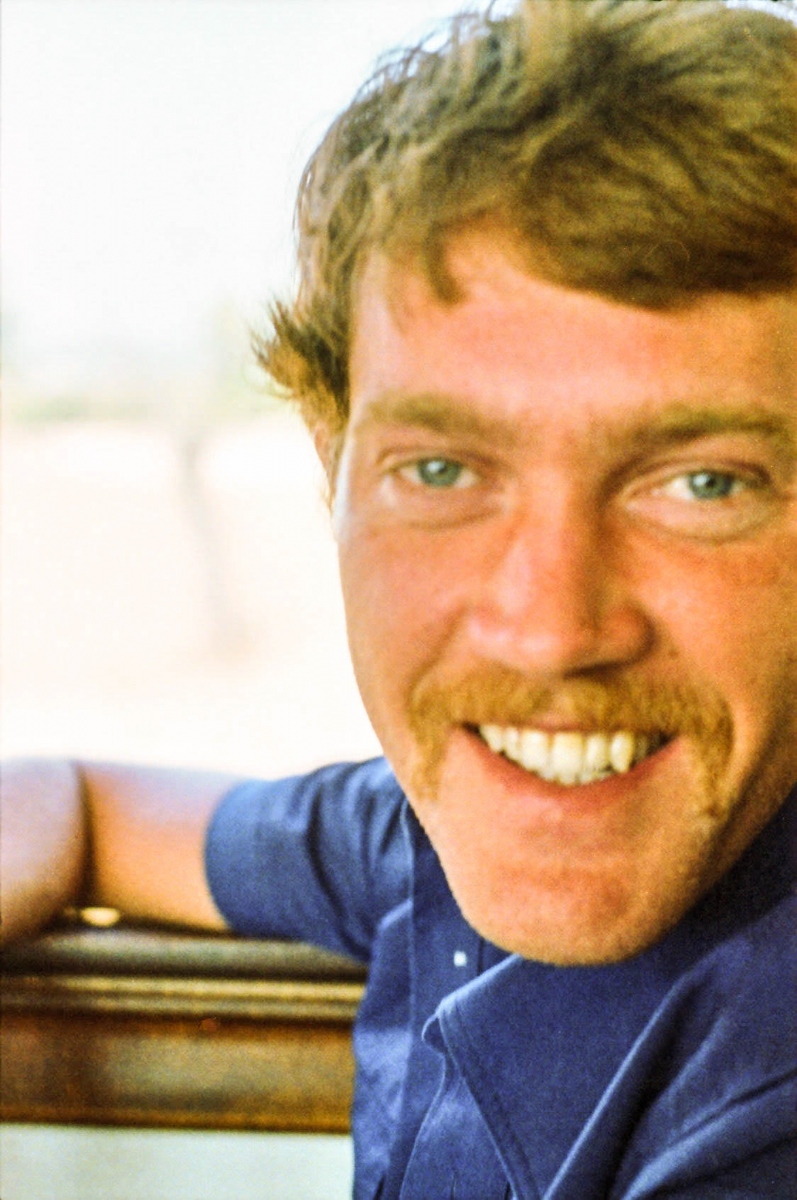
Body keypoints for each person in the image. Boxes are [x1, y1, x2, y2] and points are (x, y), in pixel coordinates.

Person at [2, 0, 796, 1195]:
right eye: (438, 471)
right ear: (331, 470)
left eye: (702, 483)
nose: (549, 630)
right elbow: (85, 803)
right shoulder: (443, 827)